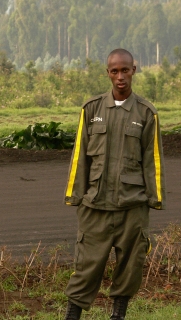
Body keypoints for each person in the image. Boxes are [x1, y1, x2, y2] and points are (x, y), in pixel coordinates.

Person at [63, 48, 166, 320]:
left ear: (134, 71)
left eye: (125, 70)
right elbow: (79, 156)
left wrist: (154, 198)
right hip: (95, 206)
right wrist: (76, 195)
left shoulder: (146, 113)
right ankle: (72, 316)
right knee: (85, 268)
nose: (120, 76)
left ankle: (118, 315)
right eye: (115, 71)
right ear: (108, 73)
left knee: (130, 267)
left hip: (132, 207)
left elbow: (152, 159)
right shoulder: (91, 109)